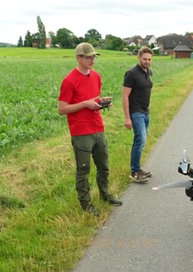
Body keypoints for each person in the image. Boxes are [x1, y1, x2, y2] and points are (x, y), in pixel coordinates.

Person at [58, 42, 122, 216]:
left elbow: (93, 99)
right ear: (79, 57)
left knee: (104, 166)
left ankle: (105, 194)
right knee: (83, 170)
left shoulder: (96, 76)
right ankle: (86, 204)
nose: (92, 60)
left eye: (94, 56)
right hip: (81, 132)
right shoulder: (69, 80)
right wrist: (85, 104)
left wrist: (101, 103)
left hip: (98, 128)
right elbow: (62, 109)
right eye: (88, 57)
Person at [122, 47, 154, 183]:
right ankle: (134, 172)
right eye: (144, 59)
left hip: (145, 112)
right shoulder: (131, 73)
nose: (147, 61)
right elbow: (124, 95)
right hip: (136, 112)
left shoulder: (148, 72)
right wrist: (127, 117)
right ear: (139, 58)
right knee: (139, 140)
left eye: (149, 59)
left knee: (142, 141)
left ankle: (138, 169)